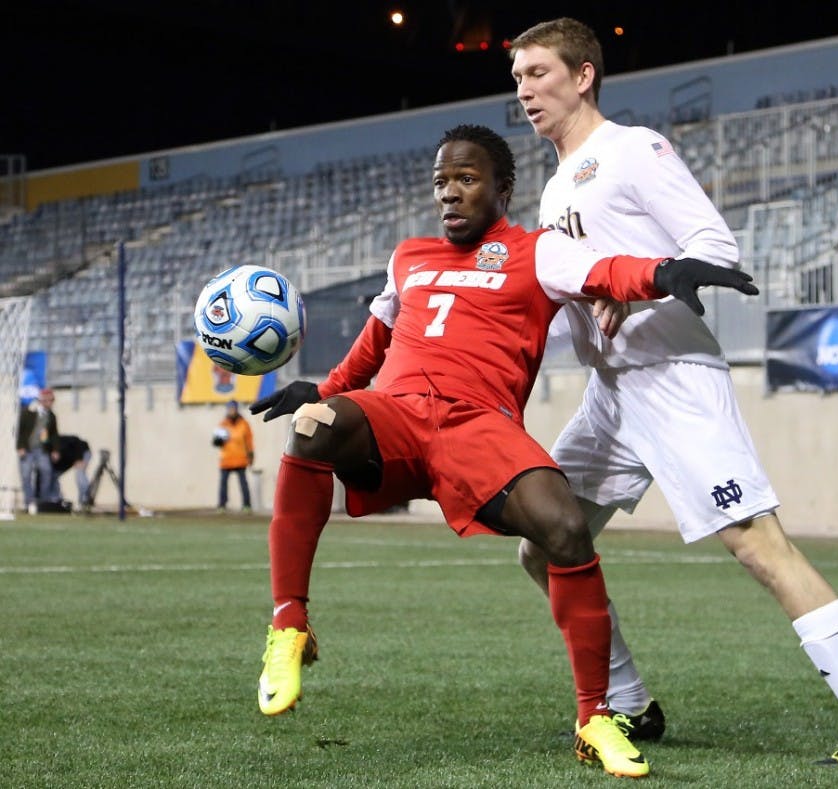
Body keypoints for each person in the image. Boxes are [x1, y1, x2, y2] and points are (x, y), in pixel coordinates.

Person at [247, 123, 758, 779]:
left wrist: (666, 271)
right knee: (314, 425)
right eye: (441, 182)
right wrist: (323, 390)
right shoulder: (409, 257)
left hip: (477, 426)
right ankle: (290, 624)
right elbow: (374, 345)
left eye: (466, 179)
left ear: (502, 188)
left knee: (565, 528)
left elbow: (607, 271)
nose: (450, 194)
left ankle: (593, 717)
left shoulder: (538, 252)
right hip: (398, 412)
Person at [508, 17, 838, 768]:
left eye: (538, 74)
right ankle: (630, 705)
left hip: (673, 378)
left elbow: (713, 248)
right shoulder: (556, 184)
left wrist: (637, 291)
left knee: (757, 542)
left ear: (583, 74)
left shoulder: (633, 150)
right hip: (611, 394)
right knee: (545, 543)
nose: (524, 90)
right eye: (519, 79)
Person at [16, 387, 60, 515]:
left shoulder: (51, 416)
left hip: (42, 449)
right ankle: (28, 502)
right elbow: (20, 431)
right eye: (48, 400)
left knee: (46, 472)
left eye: (52, 400)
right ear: (42, 400)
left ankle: (43, 502)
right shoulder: (28, 412)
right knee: (26, 475)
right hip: (27, 449)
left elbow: (54, 435)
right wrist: (20, 447)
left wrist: (55, 450)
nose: (50, 403)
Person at [215, 400, 254, 512]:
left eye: (233, 408)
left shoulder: (244, 424)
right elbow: (217, 441)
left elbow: (249, 441)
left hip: (240, 458)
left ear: (237, 409)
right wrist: (217, 441)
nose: (231, 411)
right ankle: (222, 505)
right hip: (226, 458)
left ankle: (246, 505)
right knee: (223, 484)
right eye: (229, 408)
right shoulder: (223, 424)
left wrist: (251, 455)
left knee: (243, 482)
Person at [51, 434, 93, 509]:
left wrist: (79, 458)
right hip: (72, 460)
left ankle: (84, 501)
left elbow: (77, 441)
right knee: (53, 477)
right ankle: (57, 500)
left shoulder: (61, 443)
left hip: (83, 452)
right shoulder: (52, 459)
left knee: (80, 475)